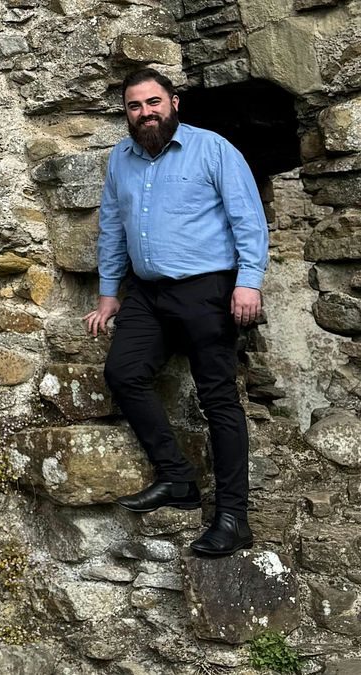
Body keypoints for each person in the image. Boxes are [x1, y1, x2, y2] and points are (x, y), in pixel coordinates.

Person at [84, 68, 268, 557]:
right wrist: (108, 293)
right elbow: (112, 227)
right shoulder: (120, 159)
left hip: (207, 289)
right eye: (135, 106)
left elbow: (248, 219)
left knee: (218, 400)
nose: (145, 113)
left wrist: (248, 282)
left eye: (153, 102)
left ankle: (233, 517)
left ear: (174, 103)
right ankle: (178, 478)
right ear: (126, 112)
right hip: (146, 293)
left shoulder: (213, 149)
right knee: (123, 372)